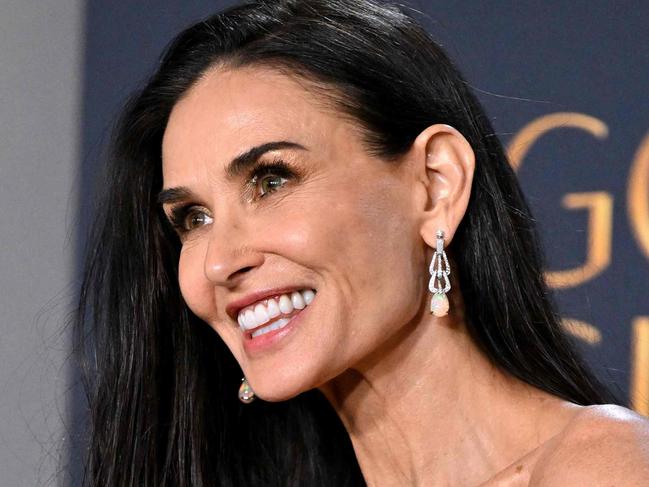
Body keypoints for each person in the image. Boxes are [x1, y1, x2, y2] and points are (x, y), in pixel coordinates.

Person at [75, 0, 649, 485]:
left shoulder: (596, 468)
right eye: (193, 218)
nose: (220, 261)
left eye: (271, 180)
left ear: (434, 185)